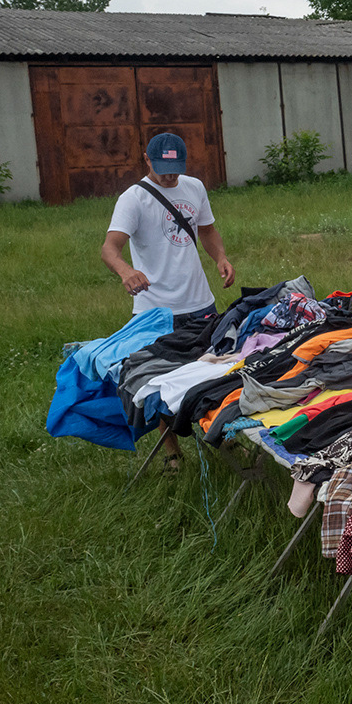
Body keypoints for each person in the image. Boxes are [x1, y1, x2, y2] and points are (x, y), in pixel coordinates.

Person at [100, 132, 235, 473]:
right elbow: (110, 248)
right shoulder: (133, 199)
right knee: (156, 382)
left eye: (175, 169)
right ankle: (172, 453)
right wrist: (126, 271)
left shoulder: (194, 188)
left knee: (211, 374)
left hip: (200, 303)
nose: (170, 176)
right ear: (147, 159)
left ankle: (224, 439)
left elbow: (207, 230)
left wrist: (220, 257)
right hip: (155, 311)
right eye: (162, 168)